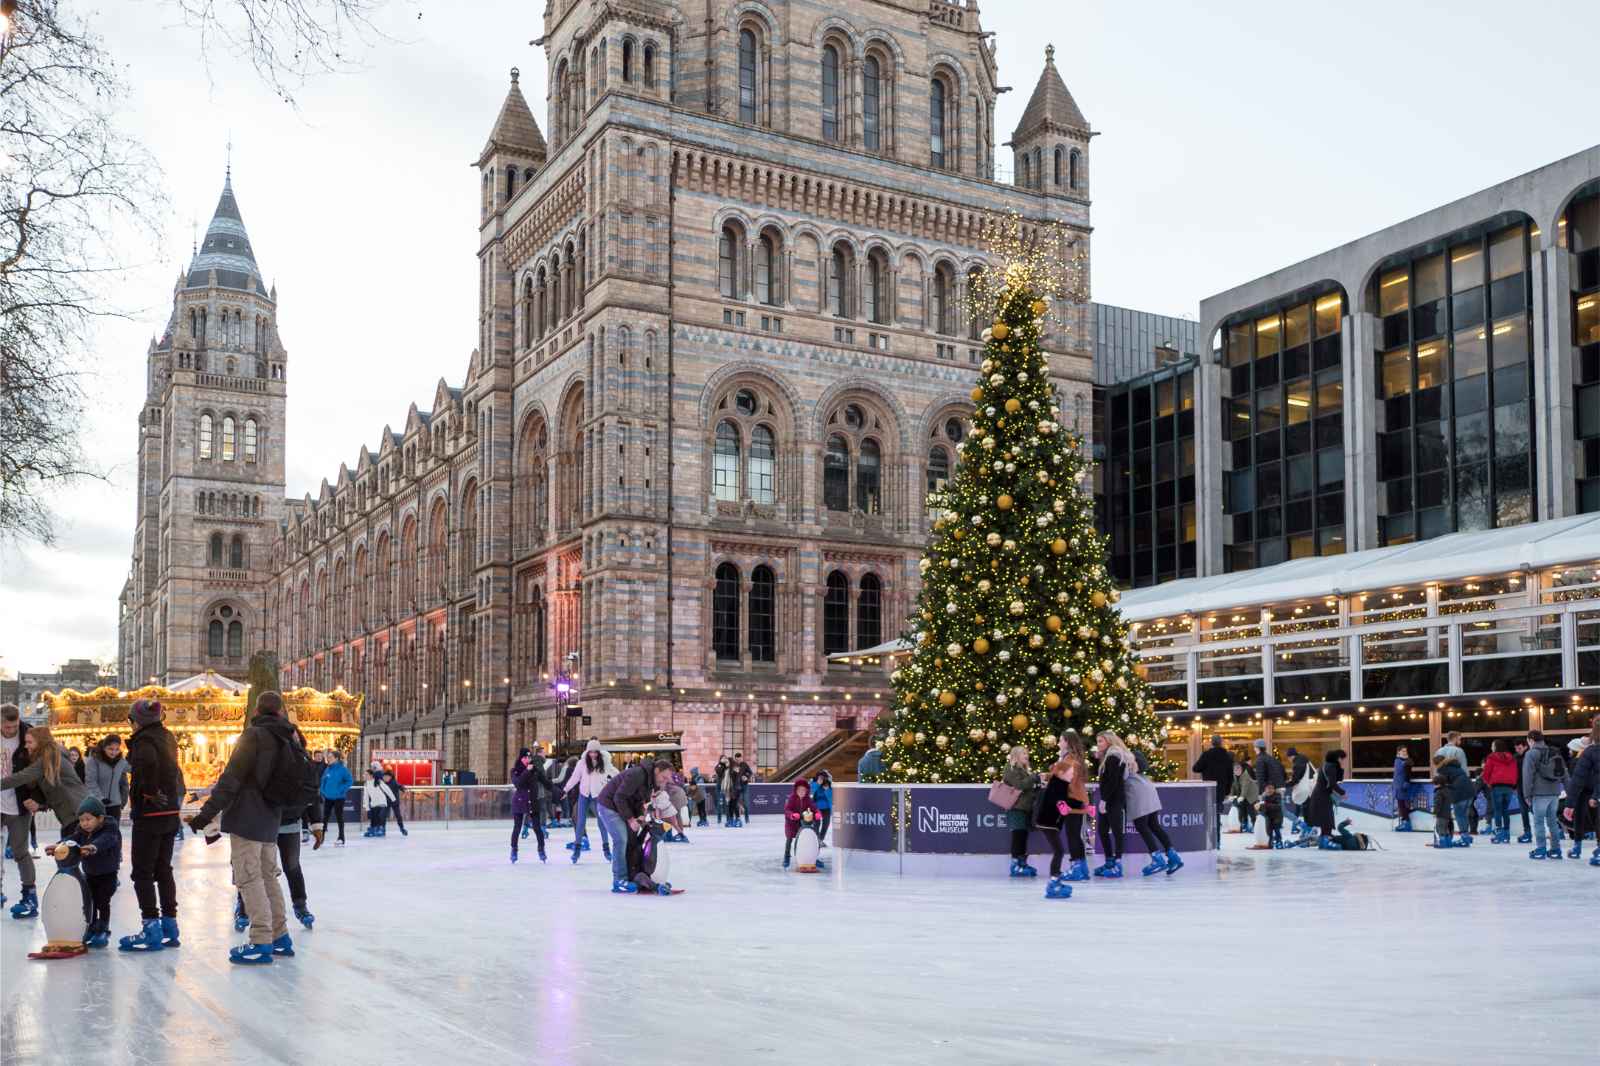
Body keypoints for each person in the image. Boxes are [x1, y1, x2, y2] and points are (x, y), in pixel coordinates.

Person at [186, 690, 299, 965]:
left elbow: (231, 780)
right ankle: (280, 936)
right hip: (272, 817)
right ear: (280, 711)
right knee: (268, 876)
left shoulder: (254, 736)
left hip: (248, 818)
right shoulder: (289, 737)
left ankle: (261, 941)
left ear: (256, 712)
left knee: (249, 877)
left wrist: (205, 814)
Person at [235, 726, 322, 932]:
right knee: (253, 868)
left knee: (291, 866)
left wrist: (316, 824)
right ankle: (244, 908)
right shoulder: (266, 760)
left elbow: (312, 796)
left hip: (289, 823)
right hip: (263, 823)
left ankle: (301, 906)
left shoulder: (304, 763)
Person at [1, 723, 91, 920]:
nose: (26, 746)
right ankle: (75, 906)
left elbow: (20, 777)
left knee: (68, 863)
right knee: (68, 862)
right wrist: (40, 804)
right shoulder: (50, 758)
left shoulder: (48, 758)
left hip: (77, 815)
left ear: (40, 741)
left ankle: (78, 908)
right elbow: (54, 791)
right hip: (73, 815)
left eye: (29, 742)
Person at [119, 699, 184, 950]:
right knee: (163, 869)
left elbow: (147, 764)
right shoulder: (167, 736)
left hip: (150, 815)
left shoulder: (145, 740)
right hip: (169, 813)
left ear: (136, 721)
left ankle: (151, 927)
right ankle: (170, 924)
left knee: (143, 872)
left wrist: (148, 792)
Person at [597, 758, 676, 893]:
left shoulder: (651, 782)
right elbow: (619, 797)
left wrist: (639, 815)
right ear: (657, 771)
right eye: (664, 777)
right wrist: (630, 819)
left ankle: (632, 875)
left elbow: (639, 801)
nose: (665, 781)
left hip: (622, 807)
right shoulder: (637, 774)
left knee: (632, 840)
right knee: (621, 839)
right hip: (608, 805)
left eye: (667, 779)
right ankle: (619, 881)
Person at [56, 795, 122, 948]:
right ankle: (91, 927)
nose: (84, 823)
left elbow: (107, 840)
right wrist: (59, 845)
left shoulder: (110, 828)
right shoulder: (82, 831)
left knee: (102, 902)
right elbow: (72, 838)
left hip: (108, 874)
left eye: (88, 819)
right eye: (81, 820)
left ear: (100, 818)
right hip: (90, 874)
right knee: (89, 902)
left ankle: (103, 929)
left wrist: (93, 847)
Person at [1123, 736, 1182, 876]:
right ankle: (1173, 856)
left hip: (1139, 793)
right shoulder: (1136, 757)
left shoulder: (1126, 758)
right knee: (1154, 826)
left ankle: (1157, 858)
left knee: (1143, 827)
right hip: (1149, 791)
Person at [2, 705, 40, 919]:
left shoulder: (29, 735)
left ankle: (29, 894)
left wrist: (37, 798)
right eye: (6, 727)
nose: (11, 730)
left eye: (14, 726)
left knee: (20, 851)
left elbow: (43, 768)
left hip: (19, 802)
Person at [1050, 734, 1095, 889]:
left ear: (1067, 742)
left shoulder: (1069, 760)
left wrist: (1051, 773)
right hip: (1077, 799)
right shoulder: (1072, 758)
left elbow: (1063, 778)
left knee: (1072, 835)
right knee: (1074, 834)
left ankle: (1077, 868)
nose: (1058, 742)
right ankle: (1082, 868)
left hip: (1073, 800)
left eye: (1060, 740)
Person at [565, 739, 615, 863]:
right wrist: (565, 789)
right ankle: (577, 849)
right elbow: (575, 777)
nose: (593, 754)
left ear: (598, 752)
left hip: (598, 796)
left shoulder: (605, 762)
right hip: (584, 795)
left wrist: (626, 779)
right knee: (580, 822)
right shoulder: (582, 763)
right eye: (590, 752)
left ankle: (606, 849)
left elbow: (615, 774)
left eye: (595, 752)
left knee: (601, 822)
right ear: (587, 752)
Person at [1092, 731, 1132, 878]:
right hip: (1110, 799)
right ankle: (1109, 861)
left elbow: (1113, 781)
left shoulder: (1114, 757)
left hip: (1114, 800)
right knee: (1102, 830)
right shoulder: (1107, 757)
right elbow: (1106, 778)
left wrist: (1104, 800)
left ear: (1108, 742)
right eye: (1098, 741)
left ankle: (1118, 863)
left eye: (1100, 741)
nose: (1098, 744)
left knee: (1116, 831)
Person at [1522, 730, 1566, 860]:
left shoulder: (1531, 754)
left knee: (1539, 822)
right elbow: (1564, 772)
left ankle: (1541, 848)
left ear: (1530, 740)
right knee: (1552, 822)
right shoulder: (1554, 752)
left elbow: (1527, 776)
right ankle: (1556, 849)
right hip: (1554, 793)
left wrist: (1527, 795)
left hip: (1539, 793)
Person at [997, 745, 1040, 877]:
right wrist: (1033, 777)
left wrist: (1036, 782)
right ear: (1016, 756)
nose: (1026, 756)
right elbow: (1020, 785)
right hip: (1017, 808)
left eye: (1027, 753)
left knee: (1023, 835)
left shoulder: (1024, 770)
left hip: (1025, 808)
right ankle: (1015, 865)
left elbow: (1027, 786)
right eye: (1023, 754)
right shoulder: (1011, 769)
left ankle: (1022, 863)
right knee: (1018, 835)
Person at [1563, 726, 1599, 864]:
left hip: (1583, 793)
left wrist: (1570, 801)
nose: (1569, 751)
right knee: (1596, 819)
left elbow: (1577, 779)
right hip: (1594, 792)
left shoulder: (1581, 758)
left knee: (1580, 819)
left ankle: (1577, 847)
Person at [1192, 735, 1235, 848]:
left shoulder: (1207, 755)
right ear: (1221, 743)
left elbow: (1196, 768)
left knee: (1208, 815)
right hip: (1220, 790)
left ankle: (1209, 840)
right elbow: (1230, 776)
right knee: (1216, 816)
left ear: (1212, 743)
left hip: (1208, 790)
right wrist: (1227, 790)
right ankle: (1217, 841)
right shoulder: (1226, 756)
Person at [510, 748, 549, 863]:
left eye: (529, 757)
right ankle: (514, 849)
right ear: (521, 758)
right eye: (525, 758)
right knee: (517, 827)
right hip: (519, 801)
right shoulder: (515, 770)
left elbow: (546, 783)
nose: (528, 760)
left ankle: (541, 849)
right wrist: (527, 771)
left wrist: (560, 792)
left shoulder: (535, 770)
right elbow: (518, 783)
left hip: (532, 802)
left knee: (537, 828)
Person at [1305, 748, 1348, 849]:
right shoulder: (1330, 767)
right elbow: (1332, 784)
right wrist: (1342, 793)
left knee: (1326, 820)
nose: (1343, 761)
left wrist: (1340, 767)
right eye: (1342, 759)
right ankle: (1325, 840)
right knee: (1326, 820)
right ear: (1338, 758)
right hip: (1321, 796)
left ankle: (1324, 839)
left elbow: (1338, 779)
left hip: (1322, 795)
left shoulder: (1328, 765)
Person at [1481, 739, 1519, 844]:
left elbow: (1486, 772)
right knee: (1505, 810)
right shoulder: (1512, 758)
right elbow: (1515, 773)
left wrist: (1489, 783)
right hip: (1509, 787)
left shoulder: (1492, 757)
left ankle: (1499, 834)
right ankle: (1506, 834)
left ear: (1496, 747)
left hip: (1497, 786)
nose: (1491, 748)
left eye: (1492, 746)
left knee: (1498, 810)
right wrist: (1513, 785)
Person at [86, 735, 130, 822]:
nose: (114, 752)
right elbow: (91, 782)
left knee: (113, 832)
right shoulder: (94, 761)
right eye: (110, 749)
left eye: (117, 749)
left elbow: (135, 768)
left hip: (115, 805)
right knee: (99, 832)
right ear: (104, 747)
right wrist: (100, 798)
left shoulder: (120, 762)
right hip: (97, 804)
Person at [1433, 753, 1472, 848]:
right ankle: (1466, 836)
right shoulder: (1455, 766)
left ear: (1437, 764)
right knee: (1464, 815)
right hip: (1470, 790)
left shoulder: (1442, 769)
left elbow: (1442, 783)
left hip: (1459, 792)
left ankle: (1464, 838)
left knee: (1459, 815)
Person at [782, 778, 820, 868]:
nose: (802, 792)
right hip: (791, 823)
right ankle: (786, 857)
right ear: (796, 790)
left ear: (806, 791)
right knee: (789, 839)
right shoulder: (792, 798)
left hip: (803, 822)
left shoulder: (808, 799)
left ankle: (814, 857)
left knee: (810, 839)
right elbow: (787, 810)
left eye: (804, 790)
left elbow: (814, 808)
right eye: (800, 790)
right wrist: (792, 815)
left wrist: (818, 813)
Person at [319, 750, 354, 846]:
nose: (328, 759)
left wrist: (340, 790)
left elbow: (349, 781)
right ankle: (321, 837)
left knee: (339, 817)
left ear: (336, 759)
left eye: (330, 757)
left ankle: (341, 837)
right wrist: (323, 790)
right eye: (328, 757)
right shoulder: (327, 769)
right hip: (328, 797)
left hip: (339, 797)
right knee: (325, 818)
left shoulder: (342, 769)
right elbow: (323, 781)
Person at [1229, 761, 1260, 834]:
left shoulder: (1245, 776)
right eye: (1235, 770)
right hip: (1243, 796)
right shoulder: (1234, 776)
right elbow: (1233, 786)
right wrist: (1231, 795)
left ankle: (1255, 826)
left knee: (1251, 811)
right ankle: (1244, 825)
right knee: (1242, 810)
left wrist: (1242, 796)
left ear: (1241, 769)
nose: (1237, 771)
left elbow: (1245, 787)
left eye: (1239, 769)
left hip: (1251, 795)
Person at [1512, 738, 1532, 844]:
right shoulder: (1515, 758)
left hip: (1531, 788)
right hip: (1520, 787)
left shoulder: (1530, 756)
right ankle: (1527, 832)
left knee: (1535, 810)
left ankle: (1552, 830)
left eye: (1519, 748)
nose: (1517, 750)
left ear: (1525, 746)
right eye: (1516, 748)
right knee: (1524, 811)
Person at [362, 769, 393, 837]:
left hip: (382, 803)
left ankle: (381, 830)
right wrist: (367, 807)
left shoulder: (378, 781)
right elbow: (366, 796)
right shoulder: (366, 784)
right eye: (364, 774)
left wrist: (393, 799)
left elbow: (387, 789)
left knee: (381, 817)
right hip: (374, 804)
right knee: (374, 818)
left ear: (371, 775)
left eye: (366, 774)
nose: (364, 775)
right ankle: (373, 829)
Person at [1286, 746, 1311, 829]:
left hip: (1304, 789)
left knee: (1300, 806)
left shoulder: (1298, 764)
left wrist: (1286, 784)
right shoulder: (1304, 760)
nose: (1289, 760)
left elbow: (1295, 779)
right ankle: (1305, 825)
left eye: (1288, 758)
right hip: (1309, 787)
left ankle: (1297, 826)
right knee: (1305, 807)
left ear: (1291, 756)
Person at [1392, 746, 1415, 831]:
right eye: (1403, 751)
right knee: (1400, 804)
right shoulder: (1398, 760)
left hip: (1403, 785)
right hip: (1398, 785)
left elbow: (1408, 773)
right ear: (1398, 752)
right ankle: (1404, 821)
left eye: (1406, 751)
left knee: (1403, 805)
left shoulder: (1407, 761)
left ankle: (1407, 824)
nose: (1405, 752)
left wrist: (1406, 783)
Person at [811, 770, 834, 845]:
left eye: (823, 778)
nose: (822, 779)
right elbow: (811, 793)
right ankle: (816, 840)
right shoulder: (813, 783)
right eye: (820, 777)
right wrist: (817, 784)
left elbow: (831, 798)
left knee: (826, 824)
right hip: (816, 808)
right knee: (816, 824)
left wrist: (827, 790)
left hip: (826, 808)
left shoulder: (829, 785)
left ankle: (820, 839)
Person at [383, 770, 409, 836]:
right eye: (384, 777)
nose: (385, 778)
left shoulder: (394, 782)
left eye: (386, 777)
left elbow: (400, 786)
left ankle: (402, 828)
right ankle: (382, 829)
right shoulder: (383, 783)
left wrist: (404, 789)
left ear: (390, 777)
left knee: (398, 815)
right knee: (383, 815)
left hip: (394, 802)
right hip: (386, 802)